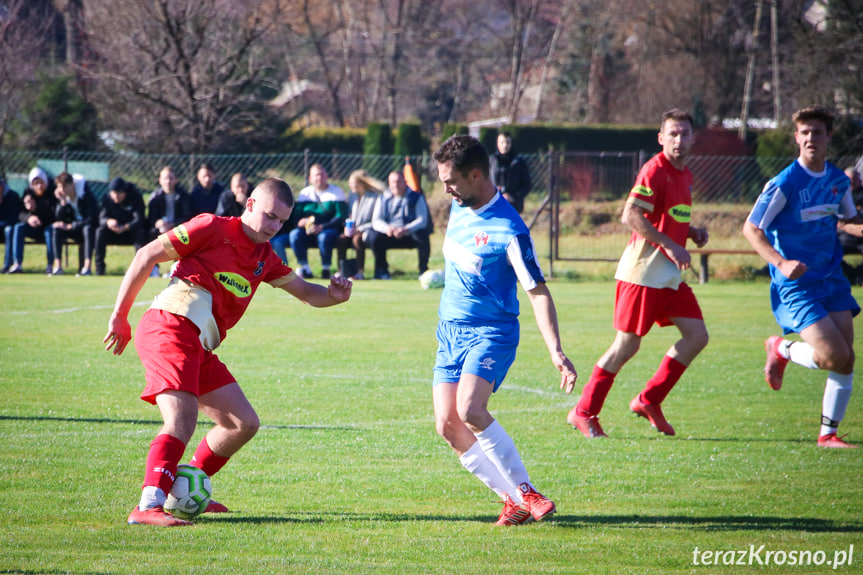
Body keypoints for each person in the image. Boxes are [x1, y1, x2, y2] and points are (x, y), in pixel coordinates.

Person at [103, 178, 352, 526]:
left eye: (281, 221)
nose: (274, 227)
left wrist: (334, 295)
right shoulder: (210, 227)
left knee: (242, 423)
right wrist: (119, 316)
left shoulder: (264, 257)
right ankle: (148, 504)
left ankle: (187, 488)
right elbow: (147, 254)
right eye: (269, 216)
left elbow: (308, 292)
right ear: (249, 205)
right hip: (170, 327)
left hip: (197, 344)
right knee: (180, 421)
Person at [431, 135, 578, 526]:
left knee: (470, 409)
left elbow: (538, 291)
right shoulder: (459, 206)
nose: (444, 188)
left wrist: (556, 351)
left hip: (490, 332)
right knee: (447, 424)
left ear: (476, 175)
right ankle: (512, 499)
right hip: (450, 331)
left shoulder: (509, 227)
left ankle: (527, 490)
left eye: (450, 180)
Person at [566, 109, 709, 439]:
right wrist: (672, 245)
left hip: (668, 277)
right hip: (643, 275)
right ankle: (584, 411)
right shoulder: (655, 169)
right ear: (661, 138)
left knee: (697, 336)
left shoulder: (684, 174)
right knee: (626, 346)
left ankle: (649, 400)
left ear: (693, 138)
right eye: (672, 133)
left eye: (685, 134)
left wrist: (690, 232)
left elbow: (666, 217)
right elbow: (630, 214)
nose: (679, 140)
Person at [743, 105, 861, 449]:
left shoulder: (839, 181)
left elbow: (844, 220)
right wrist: (780, 263)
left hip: (832, 278)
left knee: (845, 357)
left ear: (828, 137)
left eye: (818, 132)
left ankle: (828, 435)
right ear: (796, 137)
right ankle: (781, 348)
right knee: (833, 355)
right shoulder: (784, 183)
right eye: (805, 132)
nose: (811, 138)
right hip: (796, 285)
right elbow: (751, 228)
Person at [287, 164, 348, 279]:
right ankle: (305, 268)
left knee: (324, 237)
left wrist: (322, 226)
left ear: (327, 176)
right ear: (310, 178)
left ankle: (326, 269)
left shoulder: (336, 192)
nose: (319, 178)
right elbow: (296, 217)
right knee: (294, 235)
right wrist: (301, 222)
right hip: (308, 231)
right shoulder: (304, 194)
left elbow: (340, 216)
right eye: (316, 175)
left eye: (322, 175)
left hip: (330, 230)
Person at [367, 171, 431, 279]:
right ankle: (381, 271)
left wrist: (406, 229)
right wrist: (387, 228)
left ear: (405, 182)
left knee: (423, 235)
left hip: (409, 234)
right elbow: (376, 221)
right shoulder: (383, 198)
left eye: (398, 182)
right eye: (392, 182)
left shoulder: (416, 197)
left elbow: (422, 220)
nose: (395, 185)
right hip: (389, 234)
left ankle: (423, 271)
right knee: (374, 236)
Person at [7, 167, 56, 274]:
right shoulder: (28, 192)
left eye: (41, 182)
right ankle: (17, 264)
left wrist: (36, 209)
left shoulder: (53, 191)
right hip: (34, 229)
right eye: (36, 183)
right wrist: (28, 217)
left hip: (49, 228)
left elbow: (54, 215)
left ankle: (50, 265)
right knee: (19, 227)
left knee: (50, 230)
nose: (39, 186)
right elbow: (20, 213)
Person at [334, 169, 382, 280]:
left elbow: (375, 220)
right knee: (341, 240)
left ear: (361, 183)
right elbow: (349, 215)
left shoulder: (374, 197)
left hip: (368, 230)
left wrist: (360, 229)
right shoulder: (352, 196)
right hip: (352, 229)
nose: (350, 185)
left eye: (353, 183)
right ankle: (342, 271)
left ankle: (359, 272)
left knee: (357, 240)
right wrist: (347, 227)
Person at [94, 177, 147, 276]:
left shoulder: (135, 197)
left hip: (130, 233)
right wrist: (108, 221)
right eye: (113, 193)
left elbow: (139, 219)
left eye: (119, 193)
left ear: (125, 192)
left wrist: (126, 227)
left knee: (140, 232)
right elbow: (101, 219)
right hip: (113, 233)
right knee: (100, 231)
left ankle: (140, 270)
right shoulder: (107, 198)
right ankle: (99, 269)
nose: (116, 196)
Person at [49, 172, 98, 276]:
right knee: (56, 229)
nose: (61, 190)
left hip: (84, 228)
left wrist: (71, 226)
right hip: (71, 229)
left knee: (88, 229)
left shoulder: (86, 194)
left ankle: (87, 267)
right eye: (59, 187)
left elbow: (91, 218)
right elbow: (59, 219)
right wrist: (62, 203)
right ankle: (58, 267)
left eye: (63, 187)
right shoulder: (63, 197)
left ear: (72, 185)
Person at [147, 166, 192, 278]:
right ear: (160, 180)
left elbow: (187, 217)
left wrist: (173, 225)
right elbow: (151, 218)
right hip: (160, 229)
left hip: (178, 228)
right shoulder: (155, 197)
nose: (168, 181)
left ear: (176, 180)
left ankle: (176, 268)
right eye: (165, 178)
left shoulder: (183, 196)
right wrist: (158, 222)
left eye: (171, 178)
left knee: (186, 236)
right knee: (148, 233)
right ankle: (153, 268)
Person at [489, 131, 531, 214]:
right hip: (494, 205)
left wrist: (513, 197)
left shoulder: (519, 162)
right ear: (497, 144)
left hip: (513, 207)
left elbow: (527, 185)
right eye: (502, 142)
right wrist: (496, 193)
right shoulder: (491, 162)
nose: (505, 145)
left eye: (507, 142)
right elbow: (485, 181)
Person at [836, 167, 863, 284]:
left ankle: (859, 275)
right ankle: (851, 275)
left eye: (853, 179)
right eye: (848, 180)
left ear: (859, 180)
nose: (851, 183)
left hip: (861, 238)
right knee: (829, 252)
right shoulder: (838, 196)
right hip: (844, 237)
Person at [1, 176, 23, 273]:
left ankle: (7, 264)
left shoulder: (13, 196)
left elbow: (13, 219)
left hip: (7, 228)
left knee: (9, 229)